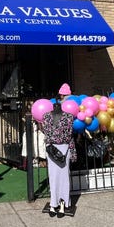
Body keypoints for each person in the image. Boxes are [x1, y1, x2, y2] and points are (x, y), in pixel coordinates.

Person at [40, 84, 75, 218]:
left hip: (64, 148)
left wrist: (72, 151)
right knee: (53, 176)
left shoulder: (69, 117)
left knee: (64, 176)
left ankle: (63, 203)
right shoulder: (46, 116)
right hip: (51, 149)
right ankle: (53, 202)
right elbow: (45, 132)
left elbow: (70, 135)